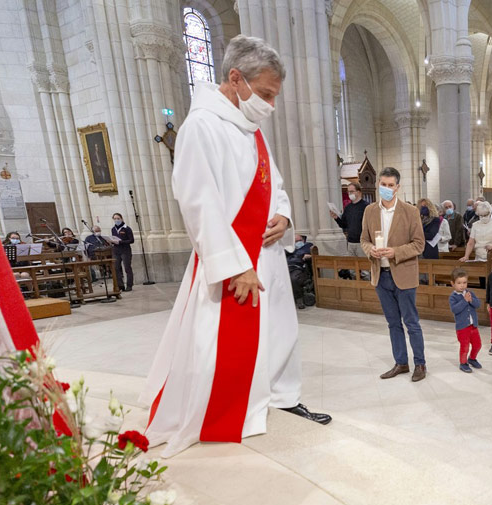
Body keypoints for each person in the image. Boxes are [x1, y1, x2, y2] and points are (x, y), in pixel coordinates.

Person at [143, 35, 330, 458]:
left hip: (268, 256)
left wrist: (284, 216)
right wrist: (235, 265)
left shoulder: (253, 132)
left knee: (280, 330)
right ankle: (234, 407)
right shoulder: (201, 127)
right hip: (233, 262)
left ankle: (279, 396)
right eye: (264, 94)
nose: (270, 105)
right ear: (234, 78)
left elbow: (275, 187)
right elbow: (198, 202)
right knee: (224, 344)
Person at [360, 166, 428, 382]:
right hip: (381, 275)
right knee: (392, 323)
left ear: (397, 187)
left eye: (391, 185)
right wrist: (369, 249)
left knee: (411, 322)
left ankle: (420, 363)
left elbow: (419, 244)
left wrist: (395, 252)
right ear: (378, 184)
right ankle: (401, 362)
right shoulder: (370, 210)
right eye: (383, 184)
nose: (386, 188)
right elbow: (364, 239)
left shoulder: (410, 211)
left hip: (404, 273)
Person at [449, 268, 483, 373]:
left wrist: (471, 299)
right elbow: (455, 310)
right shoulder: (453, 297)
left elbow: (478, 305)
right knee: (465, 346)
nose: (462, 285)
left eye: (464, 282)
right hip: (462, 328)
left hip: (473, 326)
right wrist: (464, 301)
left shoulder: (470, 293)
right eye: (459, 283)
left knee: (478, 344)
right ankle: (463, 363)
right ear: (453, 284)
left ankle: (472, 359)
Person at [331, 181, 368, 257]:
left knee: (364, 267)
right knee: (353, 267)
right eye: (348, 192)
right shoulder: (348, 207)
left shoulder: (366, 206)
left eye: (351, 191)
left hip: (362, 242)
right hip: (350, 242)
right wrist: (336, 218)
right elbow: (344, 225)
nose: (349, 194)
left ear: (358, 192)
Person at [286, 234, 313, 309]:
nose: (298, 242)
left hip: (299, 268)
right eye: (296, 241)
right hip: (287, 268)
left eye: (299, 240)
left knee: (293, 279)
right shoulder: (289, 248)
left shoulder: (308, 246)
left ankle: (299, 299)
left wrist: (309, 256)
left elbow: (312, 254)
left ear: (303, 240)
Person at [110, 212, 134, 291]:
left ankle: (129, 285)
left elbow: (131, 240)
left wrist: (121, 242)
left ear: (121, 219)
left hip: (125, 250)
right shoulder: (113, 229)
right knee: (116, 268)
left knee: (127, 267)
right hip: (116, 250)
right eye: (115, 219)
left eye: (118, 218)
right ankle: (120, 285)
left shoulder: (127, 228)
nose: (117, 220)